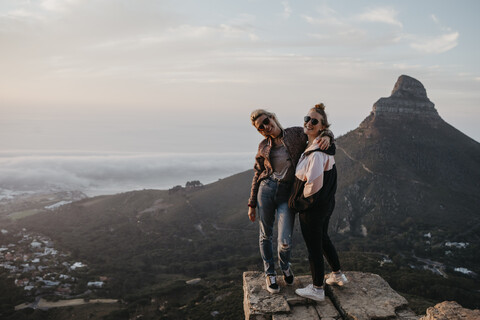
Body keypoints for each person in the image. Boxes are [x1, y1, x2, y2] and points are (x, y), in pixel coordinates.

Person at [248, 109, 334, 294]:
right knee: (265, 234)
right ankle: (270, 273)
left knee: (285, 240)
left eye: (265, 121)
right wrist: (252, 203)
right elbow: (257, 174)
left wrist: (327, 135)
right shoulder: (263, 146)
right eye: (260, 127)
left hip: (287, 194)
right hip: (267, 190)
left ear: (273, 117)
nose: (264, 127)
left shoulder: (295, 133)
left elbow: (316, 130)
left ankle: (285, 265)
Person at [288, 103, 348, 302]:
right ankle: (338, 275)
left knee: (313, 246)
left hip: (313, 208)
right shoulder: (320, 145)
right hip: (325, 205)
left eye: (314, 121)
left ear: (322, 126)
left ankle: (317, 289)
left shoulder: (317, 152)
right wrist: (328, 135)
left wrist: (299, 203)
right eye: (307, 119)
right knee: (323, 239)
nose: (309, 123)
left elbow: (313, 184)